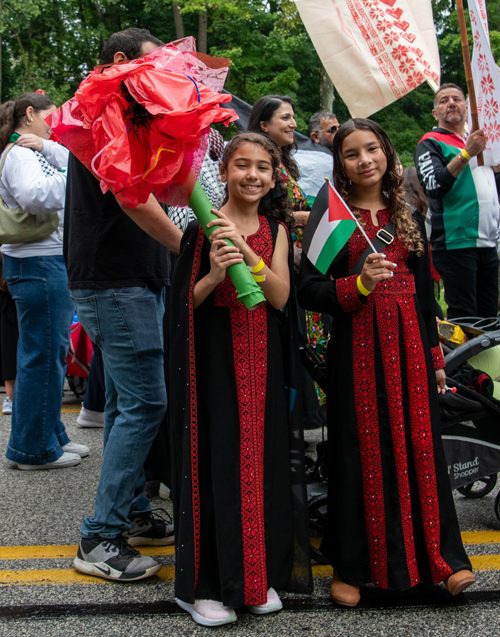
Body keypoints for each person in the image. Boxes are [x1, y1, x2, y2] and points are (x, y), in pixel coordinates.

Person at [298, 118, 474, 607]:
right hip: (355, 353)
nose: (365, 160)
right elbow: (309, 290)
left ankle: (445, 562)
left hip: (412, 356)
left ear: (387, 153)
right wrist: (358, 285)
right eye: (352, 154)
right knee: (359, 455)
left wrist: (436, 356)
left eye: (372, 149)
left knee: (420, 453)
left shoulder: (410, 208)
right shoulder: (331, 213)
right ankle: (352, 568)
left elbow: (424, 294)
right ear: (342, 165)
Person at [170, 132, 310, 627]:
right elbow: (181, 308)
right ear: (224, 171)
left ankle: (254, 576)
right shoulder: (201, 228)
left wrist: (247, 257)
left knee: (262, 463)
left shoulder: (276, 230)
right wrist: (211, 274)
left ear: (275, 176)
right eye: (242, 165)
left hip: (264, 362)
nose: (252, 175)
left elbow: (277, 298)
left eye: (263, 168)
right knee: (219, 462)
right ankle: (203, 585)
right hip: (215, 363)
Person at [66, 28, 182, 582]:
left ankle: (132, 509)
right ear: (120, 62)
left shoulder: (127, 112)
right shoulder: (102, 110)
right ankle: (100, 537)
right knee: (145, 404)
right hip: (116, 282)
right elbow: (134, 198)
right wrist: (191, 247)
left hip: (133, 276)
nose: (160, 72)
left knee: (123, 403)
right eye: (151, 62)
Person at [0, 92, 89, 470]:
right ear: (30, 114)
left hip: (41, 261)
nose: (58, 125)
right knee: (43, 356)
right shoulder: (20, 154)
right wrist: (69, 171)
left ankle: (47, 436)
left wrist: (52, 148)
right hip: (37, 261)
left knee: (48, 354)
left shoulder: (32, 150)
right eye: (53, 117)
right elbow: (36, 195)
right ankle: (33, 448)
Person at [248, 95, 325, 428]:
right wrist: (301, 217)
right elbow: (262, 214)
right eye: (286, 118)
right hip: (278, 262)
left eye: (294, 117)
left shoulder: (284, 162)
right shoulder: (261, 163)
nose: (294, 124)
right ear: (264, 125)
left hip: (297, 260)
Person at [414, 83, 500, 320]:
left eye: (456, 99)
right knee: (466, 318)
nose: (451, 103)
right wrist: (466, 154)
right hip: (455, 243)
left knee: (490, 317)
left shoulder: (483, 142)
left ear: (466, 106)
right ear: (435, 113)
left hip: (488, 242)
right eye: (443, 100)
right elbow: (433, 186)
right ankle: (462, 359)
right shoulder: (430, 142)